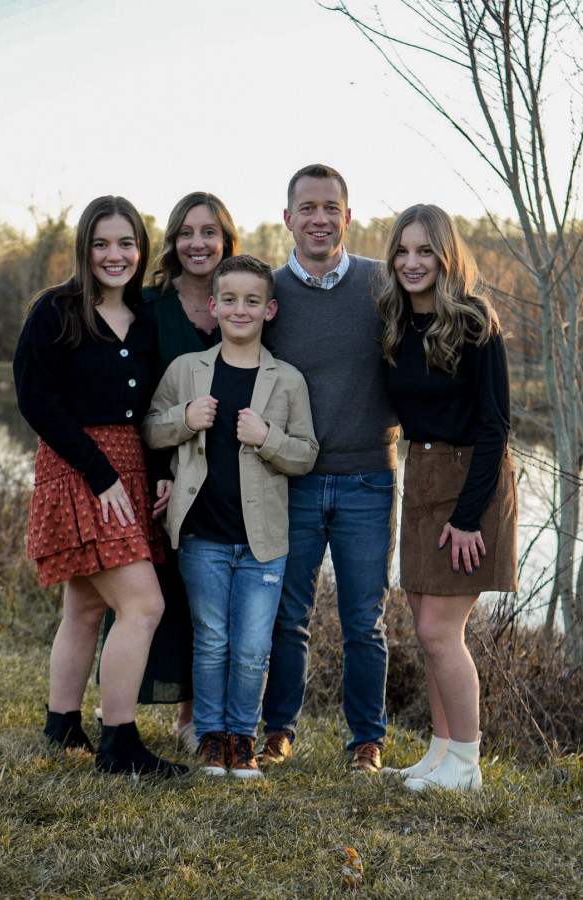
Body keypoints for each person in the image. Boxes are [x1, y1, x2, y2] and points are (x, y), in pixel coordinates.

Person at [13, 196, 188, 777]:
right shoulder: (56, 311)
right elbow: (38, 401)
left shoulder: (141, 320)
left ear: (141, 249)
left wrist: (158, 474)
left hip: (129, 472)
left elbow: (147, 413)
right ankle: (120, 743)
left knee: (87, 604)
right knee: (143, 604)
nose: (115, 255)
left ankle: (62, 724)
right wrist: (99, 471)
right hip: (79, 471)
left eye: (127, 244)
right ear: (85, 248)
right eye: (102, 244)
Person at [142, 254, 318, 777]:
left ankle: (243, 737)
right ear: (214, 305)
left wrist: (268, 439)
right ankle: (210, 737)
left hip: (264, 540)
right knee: (212, 638)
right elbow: (151, 429)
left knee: (251, 647)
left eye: (252, 301)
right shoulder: (187, 371)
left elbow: (305, 454)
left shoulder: (286, 380)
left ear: (270, 309)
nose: (240, 310)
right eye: (230, 300)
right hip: (202, 537)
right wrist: (183, 417)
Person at [259, 164, 399, 772]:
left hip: (370, 475)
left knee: (364, 619)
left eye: (330, 207)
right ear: (287, 218)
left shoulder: (382, 283)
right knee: (286, 615)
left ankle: (366, 740)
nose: (320, 218)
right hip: (292, 480)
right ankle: (277, 730)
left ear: (348, 214)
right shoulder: (266, 293)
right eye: (307, 208)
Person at [378, 204, 517, 791]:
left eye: (425, 251)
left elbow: (496, 426)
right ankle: (439, 754)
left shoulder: (475, 321)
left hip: (472, 484)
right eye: (403, 251)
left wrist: (467, 518)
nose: (412, 263)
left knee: (441, 633)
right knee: (424, 625)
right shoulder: (393, 321)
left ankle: (467, 762)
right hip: (422, 475)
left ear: (445, 255)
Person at [99, 192, 240, 752]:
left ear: (227, 240)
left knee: (214, 597)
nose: (197, 243)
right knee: (161, 592)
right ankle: (120, 720)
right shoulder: (152, 308)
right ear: (172, 242)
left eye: (209, 232)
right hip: (162, 474)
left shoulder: (244, 300)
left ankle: (192, 718)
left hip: (230, 472)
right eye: (186, 232)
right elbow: (133, 398)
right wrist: (155, 469)